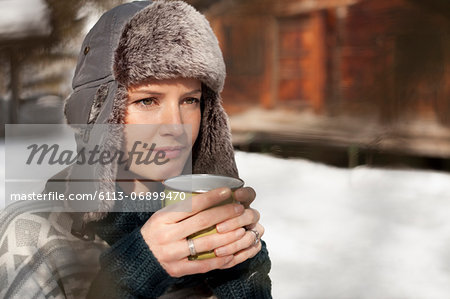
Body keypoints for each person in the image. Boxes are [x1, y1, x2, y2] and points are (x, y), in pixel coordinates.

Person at [0, 1, 271, 298]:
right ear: (99, 113)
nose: (176, 125)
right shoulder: (30, 234)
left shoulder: (205, 227)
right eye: (147, 100)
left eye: (190, 100)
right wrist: (131, 273)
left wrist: (242, 277)